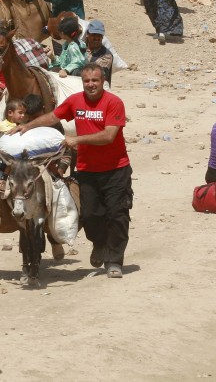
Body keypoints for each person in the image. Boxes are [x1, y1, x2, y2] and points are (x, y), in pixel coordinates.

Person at [15, 64, 131, 278]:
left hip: (116, 169)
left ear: (103, 81)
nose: (90, 84)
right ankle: (99, 244)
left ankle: (114, 260)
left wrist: (76, 140)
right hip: (87, 170)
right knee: (89, 214)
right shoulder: (75, 101)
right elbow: (52, 117)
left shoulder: (114, 102)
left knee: (117, 214)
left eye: (95, 80)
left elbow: (108, 136)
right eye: (86, 81)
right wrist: (28, 126)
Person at [82, 19, 113, 86]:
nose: (97, 38)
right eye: (94, 35)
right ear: (87, 34)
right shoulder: (81, 48)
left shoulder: (106, 56)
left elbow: (91, 72)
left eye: (99, 35)